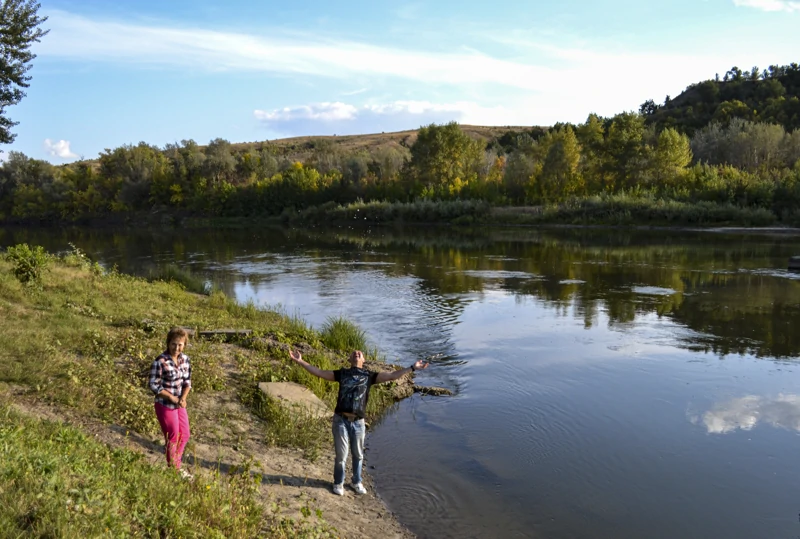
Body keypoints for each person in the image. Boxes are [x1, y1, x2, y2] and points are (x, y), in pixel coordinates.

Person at [289, 348, 429, 496]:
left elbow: (393, 376)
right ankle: (338, 483)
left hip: (358, 422)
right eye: (354, 353)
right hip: (341, 420)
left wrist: (413, 367)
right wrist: (300, 361)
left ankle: (356, 482)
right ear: (349, 360)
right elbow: (319, 372)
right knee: (341, 456)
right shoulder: (342, 373)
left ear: (363, 360)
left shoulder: (369, 376)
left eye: (360, 353)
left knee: (358, 455)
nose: (357, 353)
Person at [148, 327, 193, 479]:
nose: (176, 348)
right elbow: (154, 384)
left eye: (180, 344)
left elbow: (187, 381)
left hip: (179, 404)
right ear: (168, 343)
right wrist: (171, 398)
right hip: (165, 404)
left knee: (185, 434)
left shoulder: (185, 359)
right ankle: (174, 469)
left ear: (184, 345)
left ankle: (176, 464)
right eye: (174, 344)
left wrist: (183, 397)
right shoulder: (160, 361)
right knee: (173, 436)